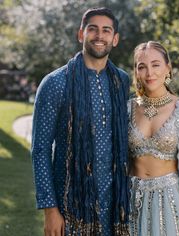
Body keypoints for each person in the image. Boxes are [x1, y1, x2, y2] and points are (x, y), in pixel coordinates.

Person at [31, 7, 130, 236]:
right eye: (92, 29)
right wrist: (50, 210)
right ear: (80, 34)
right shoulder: (55, 83)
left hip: (115, 204)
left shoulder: (121, 82)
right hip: (71, 205)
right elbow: (40, 150)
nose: (99, 36)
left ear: (114, 39)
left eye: (106, 31)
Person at [128, 41, 179, 236]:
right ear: (136, 72)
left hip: (170, 202)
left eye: (156, 64)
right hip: (130, 201)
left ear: (167, 68)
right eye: (142, 66)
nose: (149, 73)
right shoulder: (126, 109)